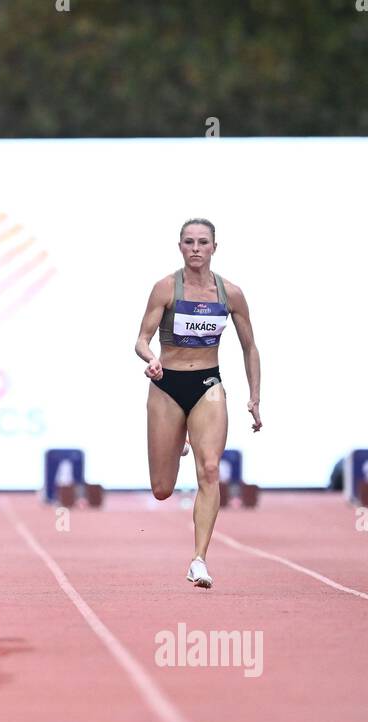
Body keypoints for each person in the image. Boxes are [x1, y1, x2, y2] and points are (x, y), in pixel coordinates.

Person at [134, 218, 262, 589]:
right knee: (162, 489)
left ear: (214, 248)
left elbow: (250, 347)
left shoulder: (230, 294)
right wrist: (150, 359)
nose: (195, 248)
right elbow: (141, 339)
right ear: (180, 247)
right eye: (188, 241)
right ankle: (179, 437)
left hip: (208, 384)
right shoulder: (165, 288)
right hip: (167, 384)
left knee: (209, 469)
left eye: (202, 242)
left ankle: (199, 559)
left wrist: (255, 397)